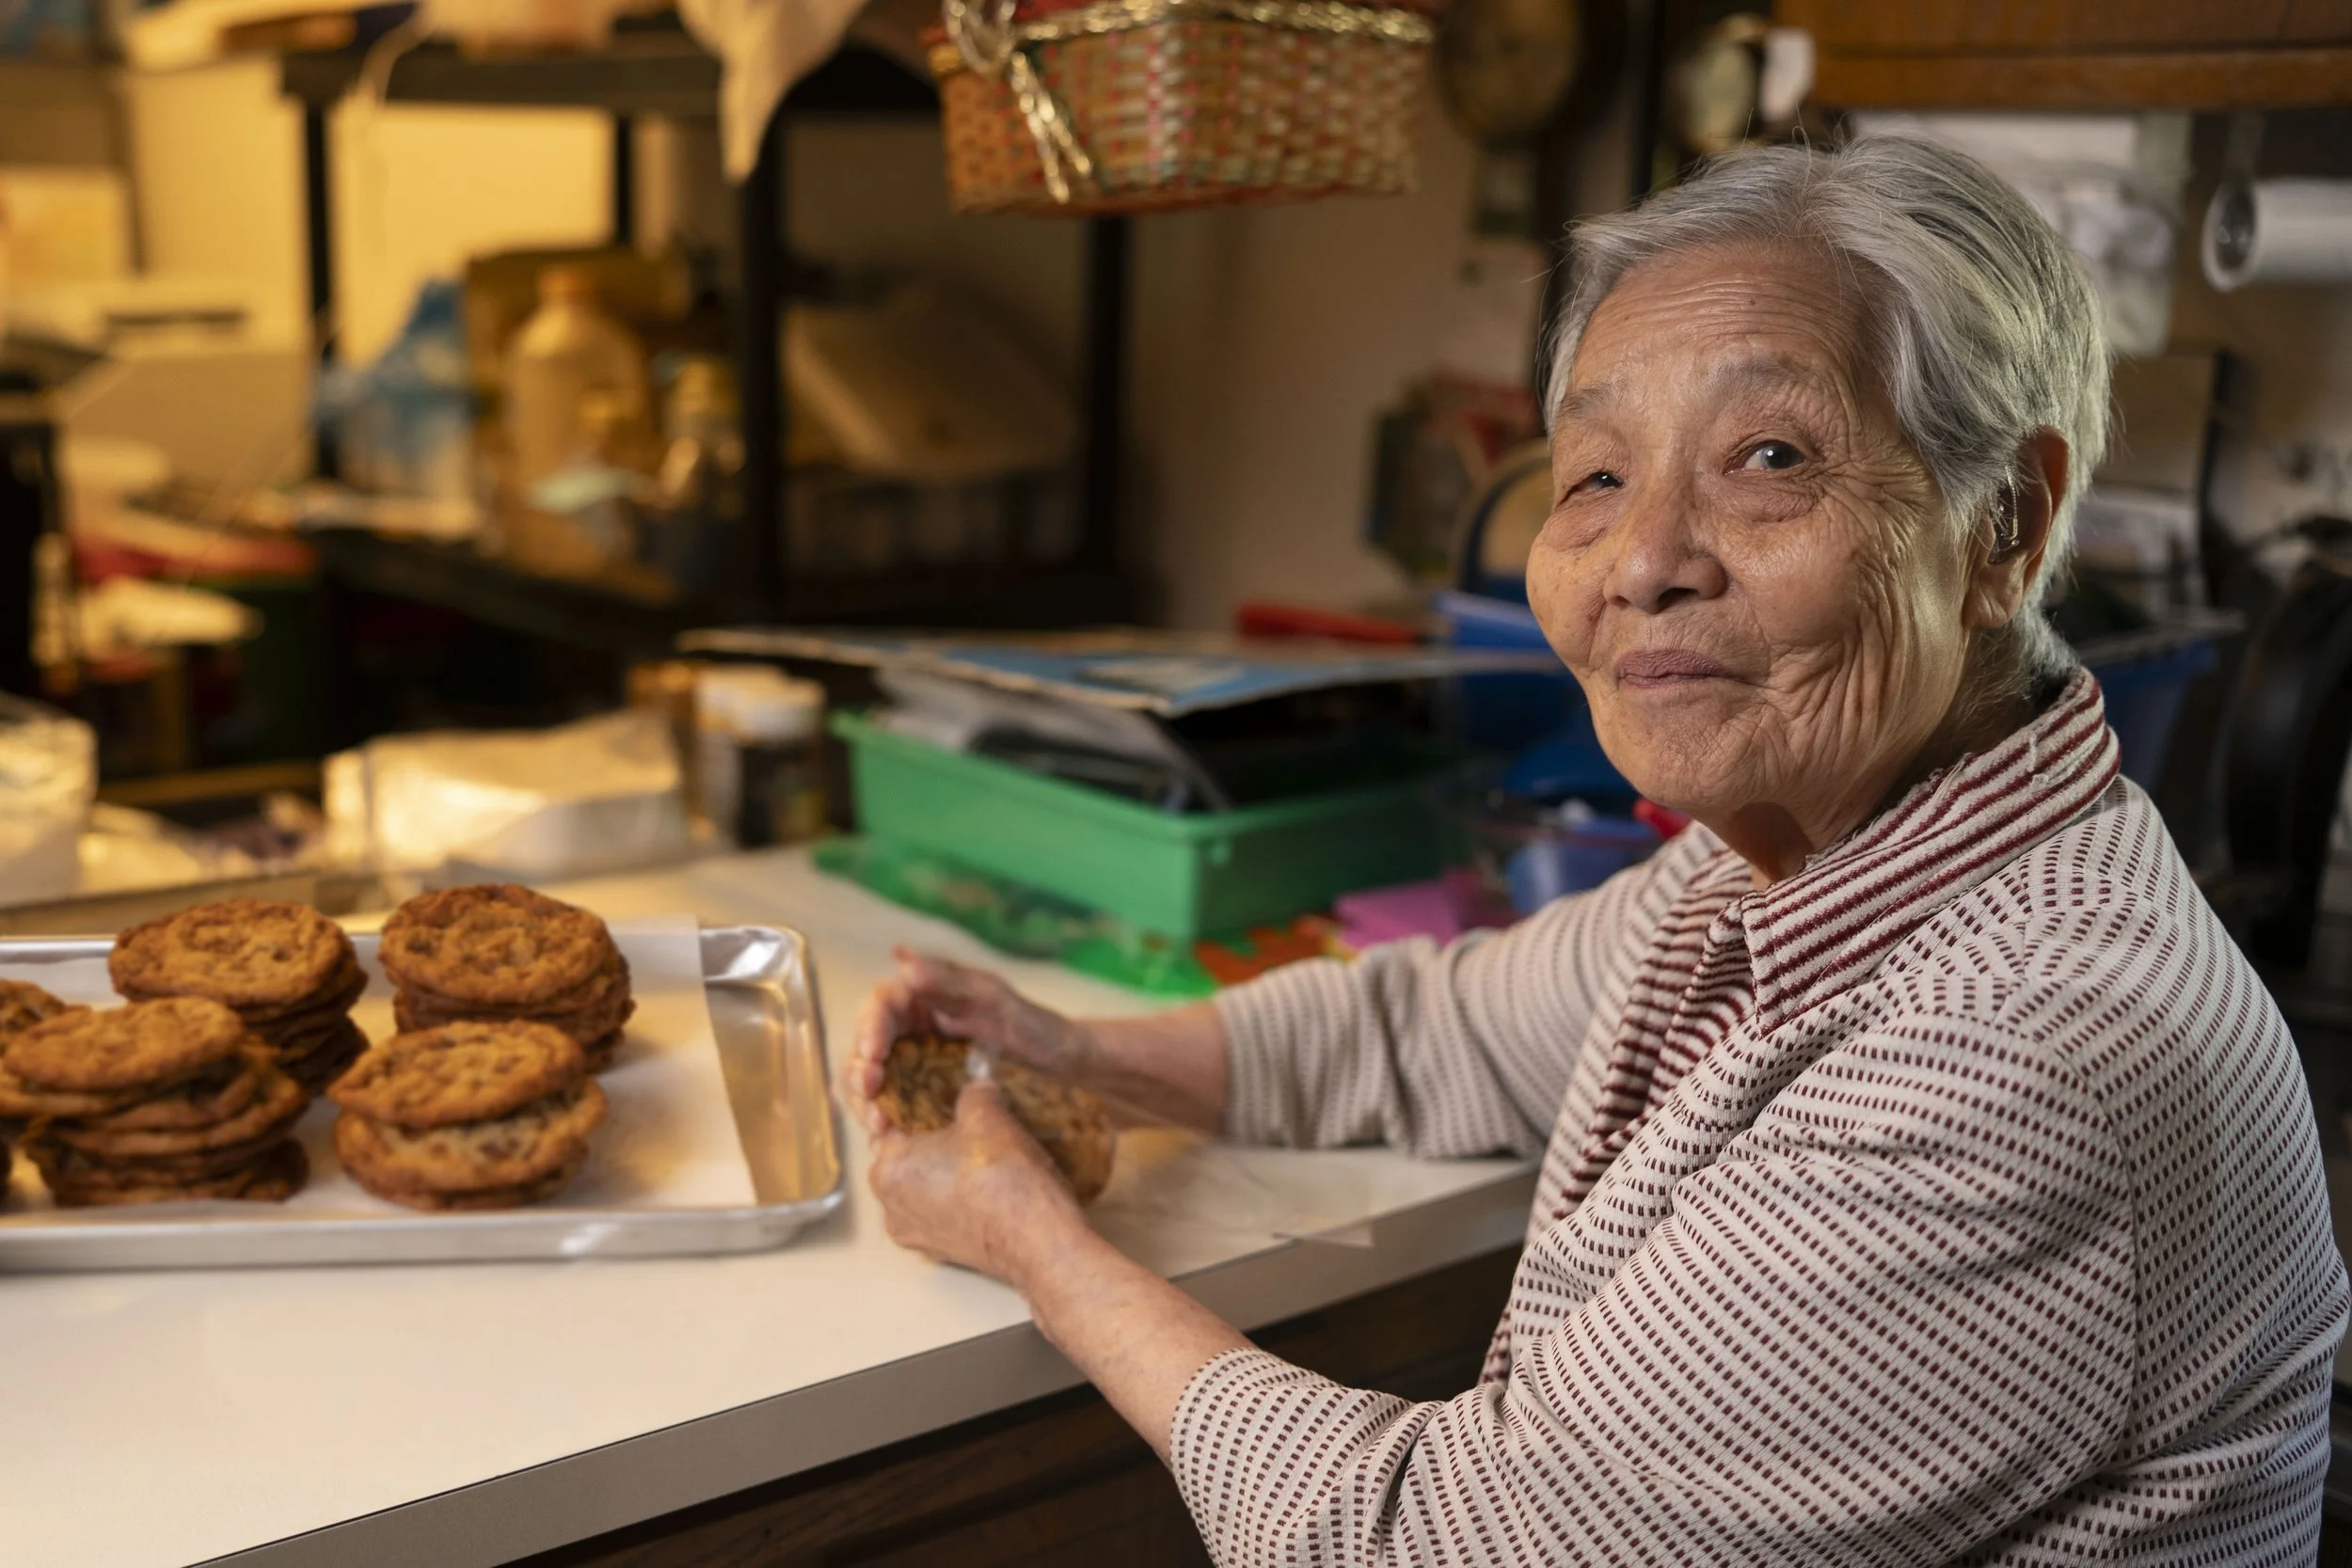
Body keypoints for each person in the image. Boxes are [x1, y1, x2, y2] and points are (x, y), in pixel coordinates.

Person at [841, 135, 2350, 1564]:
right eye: (1597, 475)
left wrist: (1031, 1239)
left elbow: (1430, 1544)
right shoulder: (1813, 852)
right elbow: (1449, 1025)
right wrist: (1070, 1045)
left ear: (2004, 528)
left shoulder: (2025, 1049)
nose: (1642, 562)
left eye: (1768, 456)